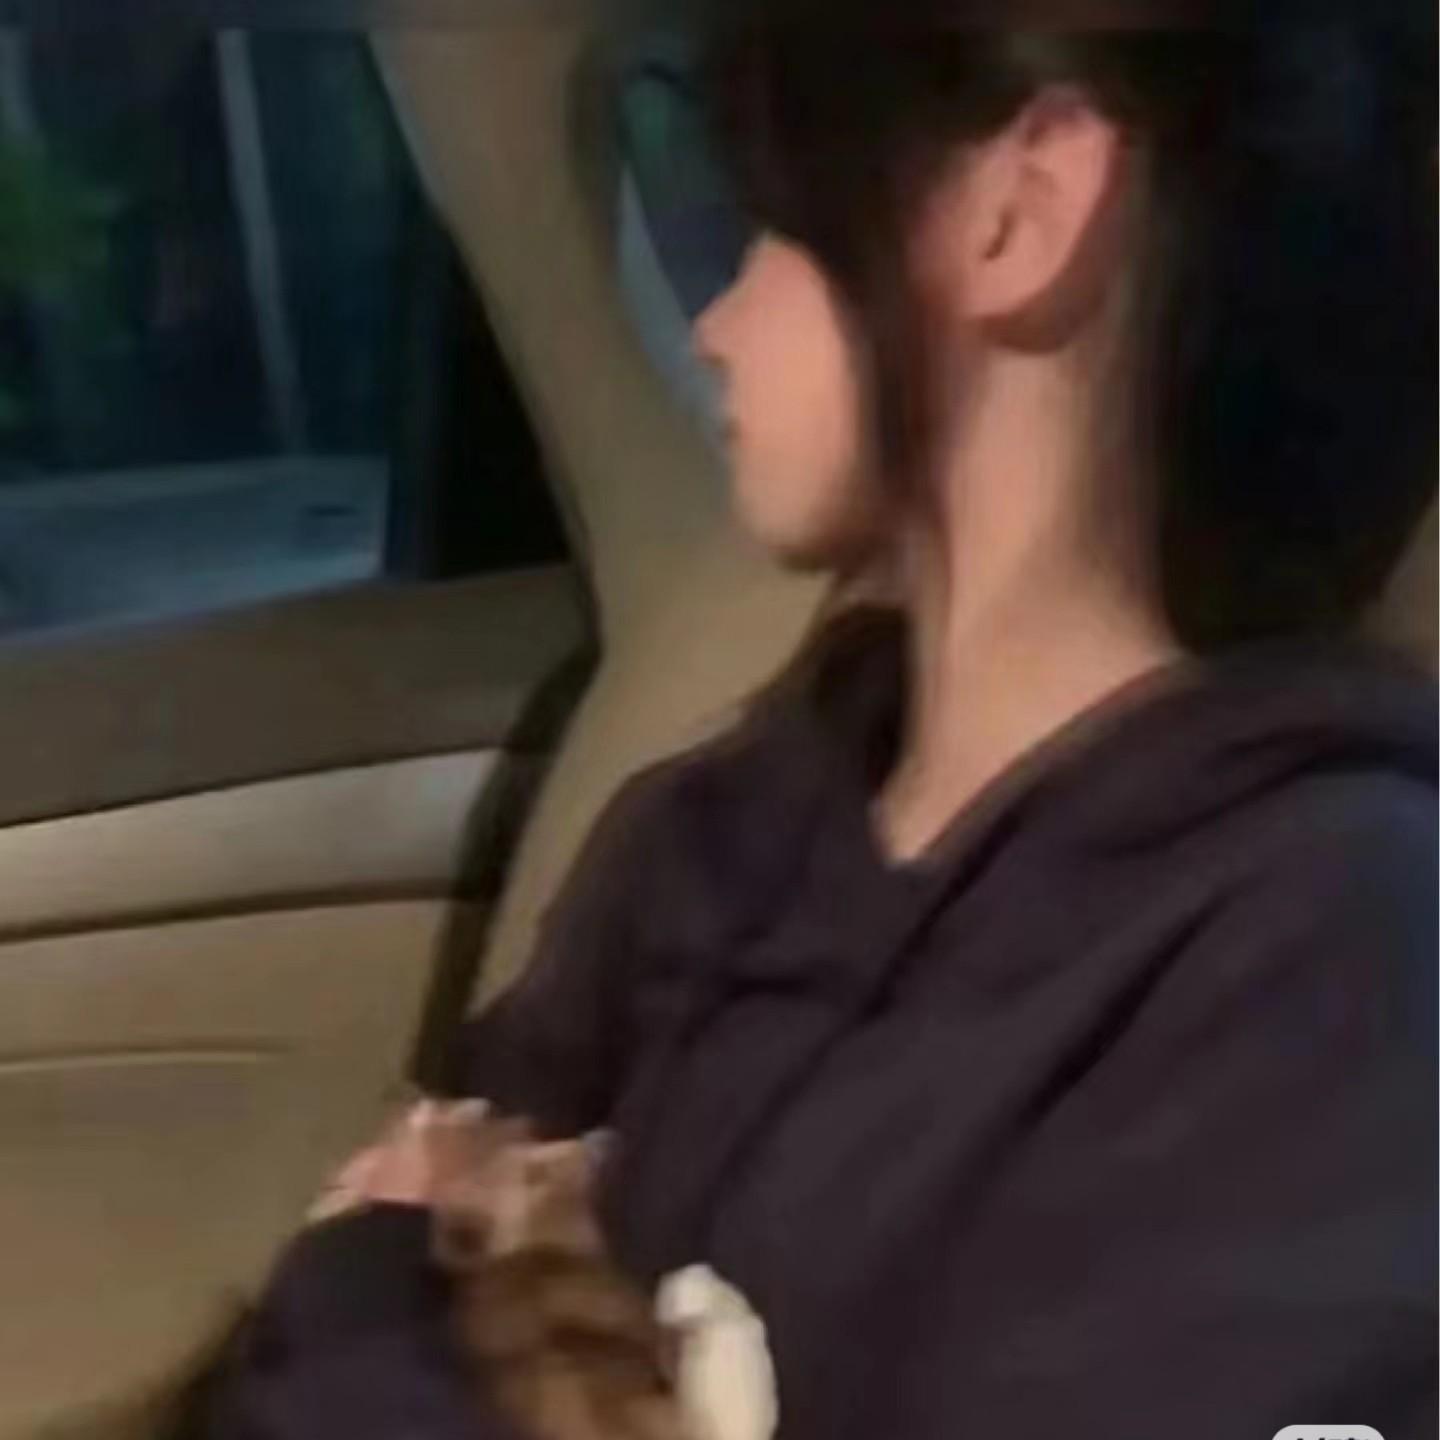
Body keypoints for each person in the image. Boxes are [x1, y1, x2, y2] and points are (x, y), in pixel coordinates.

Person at [204, 4, 1438, 1437]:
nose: (716, 325)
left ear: (1018, 212)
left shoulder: (1331, 965)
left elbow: (394, 1259)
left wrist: (371, 1282)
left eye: (776, 229)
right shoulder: (719, 824)